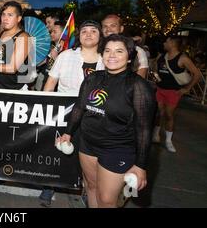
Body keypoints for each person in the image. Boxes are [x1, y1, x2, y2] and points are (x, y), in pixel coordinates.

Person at [57, 34, 156, 208]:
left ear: (129, 57)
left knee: (107, 200)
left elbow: (144, 129)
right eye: (108, 50)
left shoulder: (138, 86)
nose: (112, 55)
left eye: (119, 51)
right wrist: (68, 132)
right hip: (87, 144)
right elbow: (79, 107)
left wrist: (141, 165)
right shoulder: (92, 78)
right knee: (91, 188)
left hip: (118, 148)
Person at [40, 20, 104, 205]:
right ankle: (49, 186)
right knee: (57, 151)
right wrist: (46, 106)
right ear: (79, 35)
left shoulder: (107, 60)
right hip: (65, 112)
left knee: (89, 156)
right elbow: (50, 83)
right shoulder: (66, 56)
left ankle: (86, 188)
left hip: (94, 116)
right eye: (84, 31)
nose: (89, 34)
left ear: (100, 36)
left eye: (94, 31)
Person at [152, 36, 201, 152]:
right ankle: (156, 134)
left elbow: (197, 74)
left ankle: (168, 141)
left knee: (169, 115)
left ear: (173, 44)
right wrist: (155, 76)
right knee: (159, 113)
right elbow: (155, 67)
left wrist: (187, 89)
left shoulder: (183, 58)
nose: (164, 43)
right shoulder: (162, 56)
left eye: (166, 41)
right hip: (160, 89)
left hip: (173, 92)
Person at [101, 14, 149, 79]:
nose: (108, 29)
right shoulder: (97, 49)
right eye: (105, 26)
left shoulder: (137, 51)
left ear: (121, 29)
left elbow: (140, 80)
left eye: (113, 25)